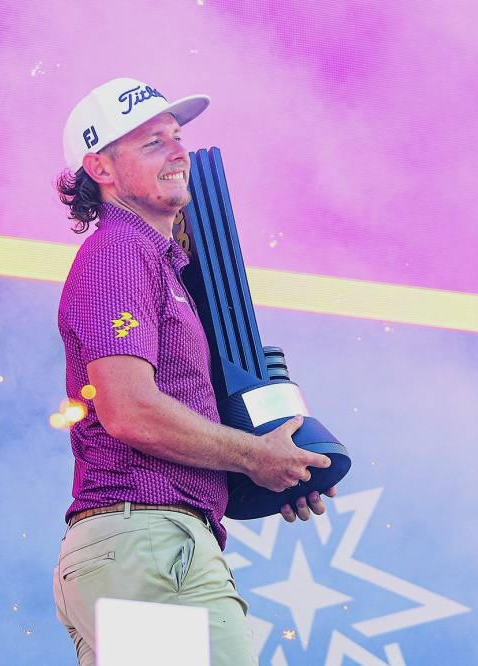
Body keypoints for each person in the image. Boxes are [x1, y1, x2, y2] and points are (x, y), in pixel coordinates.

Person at [50, 77, 336, 666]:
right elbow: (129, 411)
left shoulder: (153, 263)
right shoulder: (117, 253)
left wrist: (270, 469)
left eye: (178, 138)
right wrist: (253, 457)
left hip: (141, 548)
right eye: (153, 142)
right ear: (100, 168)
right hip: (151, 544)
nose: (179, 152)